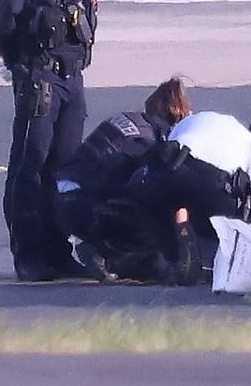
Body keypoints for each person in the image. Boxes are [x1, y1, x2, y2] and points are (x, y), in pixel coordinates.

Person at [0, 0, 102, 281]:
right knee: (30, 167)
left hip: (72, 78)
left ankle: (57, 250)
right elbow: (2, 19)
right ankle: (29, 254)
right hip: (40, 78)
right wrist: (20, 66)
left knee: (64, 168)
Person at [54, 77, 193, 281]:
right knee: (157, 212)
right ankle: (108, 254)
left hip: (64, 200)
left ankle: (104, 248)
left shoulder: (130, 120)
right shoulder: (151, 140)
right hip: (90, 207)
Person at [121, 110, 251, 285]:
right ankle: (223, 263)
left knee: (143, 191)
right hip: (219, 190)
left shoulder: (186, 124)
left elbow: (167, 162)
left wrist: (181, 229)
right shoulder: (244, 136)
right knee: (226, 214)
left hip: (177, 170)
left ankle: (173, 258)